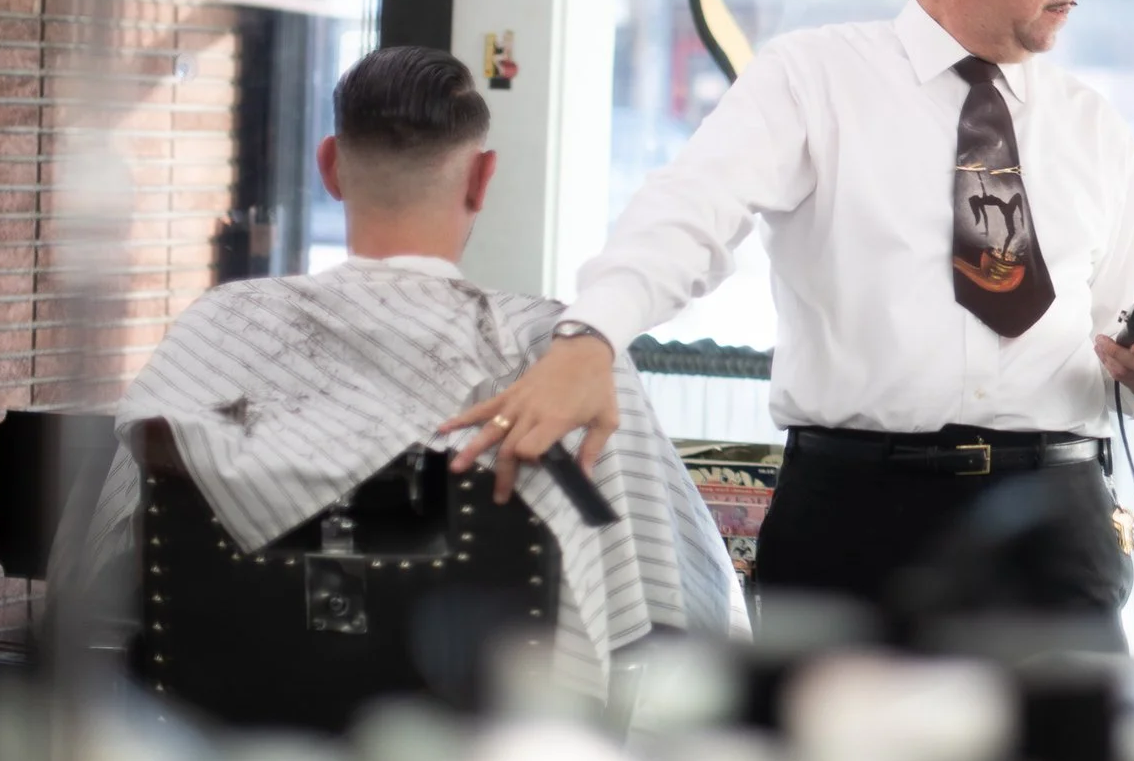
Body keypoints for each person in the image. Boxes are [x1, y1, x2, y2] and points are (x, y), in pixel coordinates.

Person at [449, 0, 1134, 639]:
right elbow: (687, 215)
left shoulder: (1093, 126)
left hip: (1054, 525)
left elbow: (1129, 334)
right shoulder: (814, 79)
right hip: (860, 522)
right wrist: (588, 338)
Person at [53, 46, 748, 698]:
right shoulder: (558, 356)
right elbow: (680, 604)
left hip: (231, 733)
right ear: (481, 177)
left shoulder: (216, 333)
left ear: (329, 166)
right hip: (489, 746)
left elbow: (107, 569)